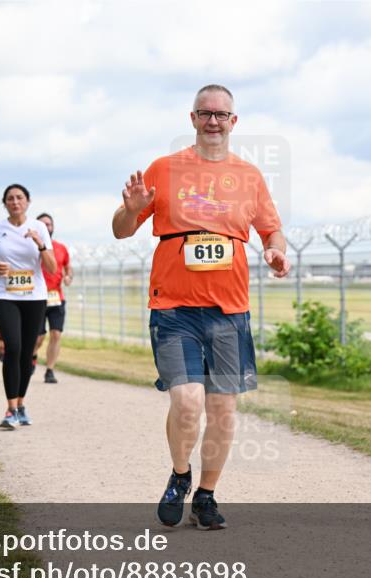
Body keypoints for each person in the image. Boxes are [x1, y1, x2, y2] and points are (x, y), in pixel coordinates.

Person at [111, 84, 290, 530]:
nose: (213, 121)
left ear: (234, 122)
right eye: (204, 113)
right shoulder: (164, 168)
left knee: (223, 410)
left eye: (221, 114)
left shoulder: (249, 176)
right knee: (187, 402)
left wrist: (275, 251)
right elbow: (120, 230)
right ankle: (180, 475)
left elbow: (272, 230)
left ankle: (206, 495)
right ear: (191, 119)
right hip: (174, 308)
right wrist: (130, 211)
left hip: (229, 310)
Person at [0, 184, 57, 430]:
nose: (15, 202)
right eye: (10, 199)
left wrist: (40, 244)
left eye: (20, 198)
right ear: (4, 203)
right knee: (12, 347)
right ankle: (10, 408)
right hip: (6, 295)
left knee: (27, 353)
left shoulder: (39, 228)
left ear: (28, 201)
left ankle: (21, 404)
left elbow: (53, 267)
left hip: (34, 297)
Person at [32, 213, 73, 383]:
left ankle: (50, 370)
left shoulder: (61, 248)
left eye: (49, 224)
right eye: (42, 224)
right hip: (36, 298)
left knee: (56, 334)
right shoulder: (29, 247)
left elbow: (68, 268)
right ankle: (32, 354)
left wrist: (68, 276)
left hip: (57, 297)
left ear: (53, 227)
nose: (47, 227)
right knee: (39, 337)